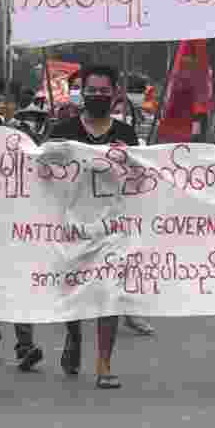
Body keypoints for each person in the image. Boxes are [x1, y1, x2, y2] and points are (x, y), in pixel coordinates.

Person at [49, 64, 140, 390]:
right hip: (72, 226)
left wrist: (133, 161)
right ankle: (73, 335)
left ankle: (104, 363)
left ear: (115, 93)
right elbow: (43, 174)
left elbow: (139, 179)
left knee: (108, 294)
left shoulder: (126, 135)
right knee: (74, 291)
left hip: (112, 228)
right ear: (81, 92)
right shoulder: (62, 130)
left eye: (104, 91)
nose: (98, 96)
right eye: (92, 90)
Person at [0, 76, 45, 371]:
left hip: (19, 217)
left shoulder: (28, 132)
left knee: (20, 281)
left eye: (7, 100)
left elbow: (41, 164)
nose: (2, 105)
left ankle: (25, 345)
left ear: (16, 104)